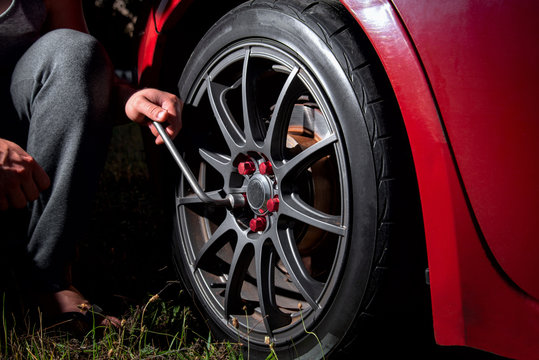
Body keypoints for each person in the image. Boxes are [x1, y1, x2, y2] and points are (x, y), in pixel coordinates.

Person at [0, 0, 182, 328]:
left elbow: (73, 75)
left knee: (75, 50)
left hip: (18, 129)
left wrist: (129, 100)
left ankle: (47, 278)